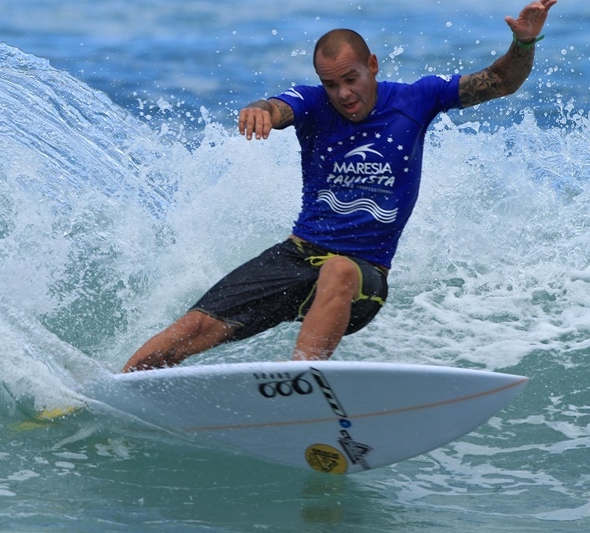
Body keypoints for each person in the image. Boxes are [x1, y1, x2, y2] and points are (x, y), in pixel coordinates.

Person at [122, 0, 557, 373]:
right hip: (295, 257)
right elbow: (277, 106)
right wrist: (259, 110)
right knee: (192, 329)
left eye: (351, 79)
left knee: (339, 269)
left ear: (372, 66)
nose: (344, 93)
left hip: (362, 276)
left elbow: (500, 81)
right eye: (332, 84)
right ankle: (113, 389)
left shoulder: (416, 99)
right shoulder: (313, 104)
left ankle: (303, 383)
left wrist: (523, 42)